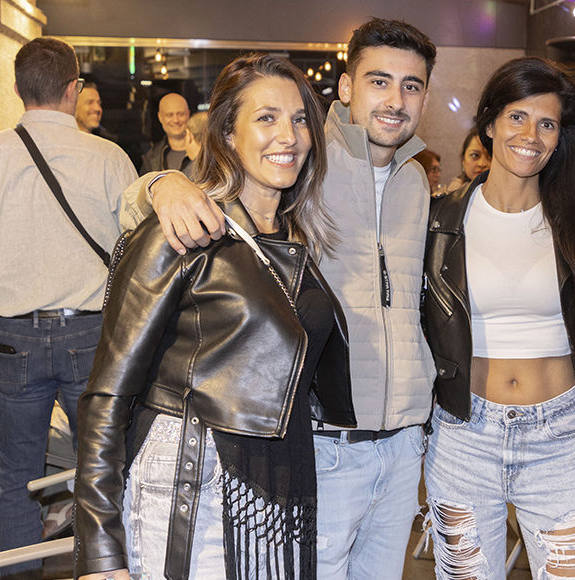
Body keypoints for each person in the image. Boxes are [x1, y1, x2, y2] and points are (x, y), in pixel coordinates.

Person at [119, 18, 437, 579]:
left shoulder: (415, 181)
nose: (395, 100)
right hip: (321, 441)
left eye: (411, 85)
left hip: (403, 445)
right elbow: (165, 206)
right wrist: (161, 183)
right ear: (346, 87)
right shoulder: (305, 163)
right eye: (379, 81)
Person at [73, 54, 354, 580]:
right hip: (188, 484)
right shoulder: (181, 231)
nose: (288, 136)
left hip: (271, 492)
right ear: (228, 133)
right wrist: (99, 551)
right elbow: (107, 395)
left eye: (299, 119)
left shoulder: (294, 239)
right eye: (266, 118)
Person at [0, 37, 136, 579]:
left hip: (10, 340)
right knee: (103, 471)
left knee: (15, 478)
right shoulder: (109, 159)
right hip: (90, 336)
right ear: (74, 88)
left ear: (19, 89)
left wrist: (4, 267)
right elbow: (136, 256)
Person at [422, 56, 575, 579]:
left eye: (547, 123)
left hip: (558, 436)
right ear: (489, 124)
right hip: (464, 434)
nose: (531, 135)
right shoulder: (438, 219)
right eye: (517, 117)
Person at [141, 92, 192, 173]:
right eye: (169, 115)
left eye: (180, 114)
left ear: (188, 114)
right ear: (160, 117)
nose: (176, 120)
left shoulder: (205, 152)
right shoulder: (151, 158)